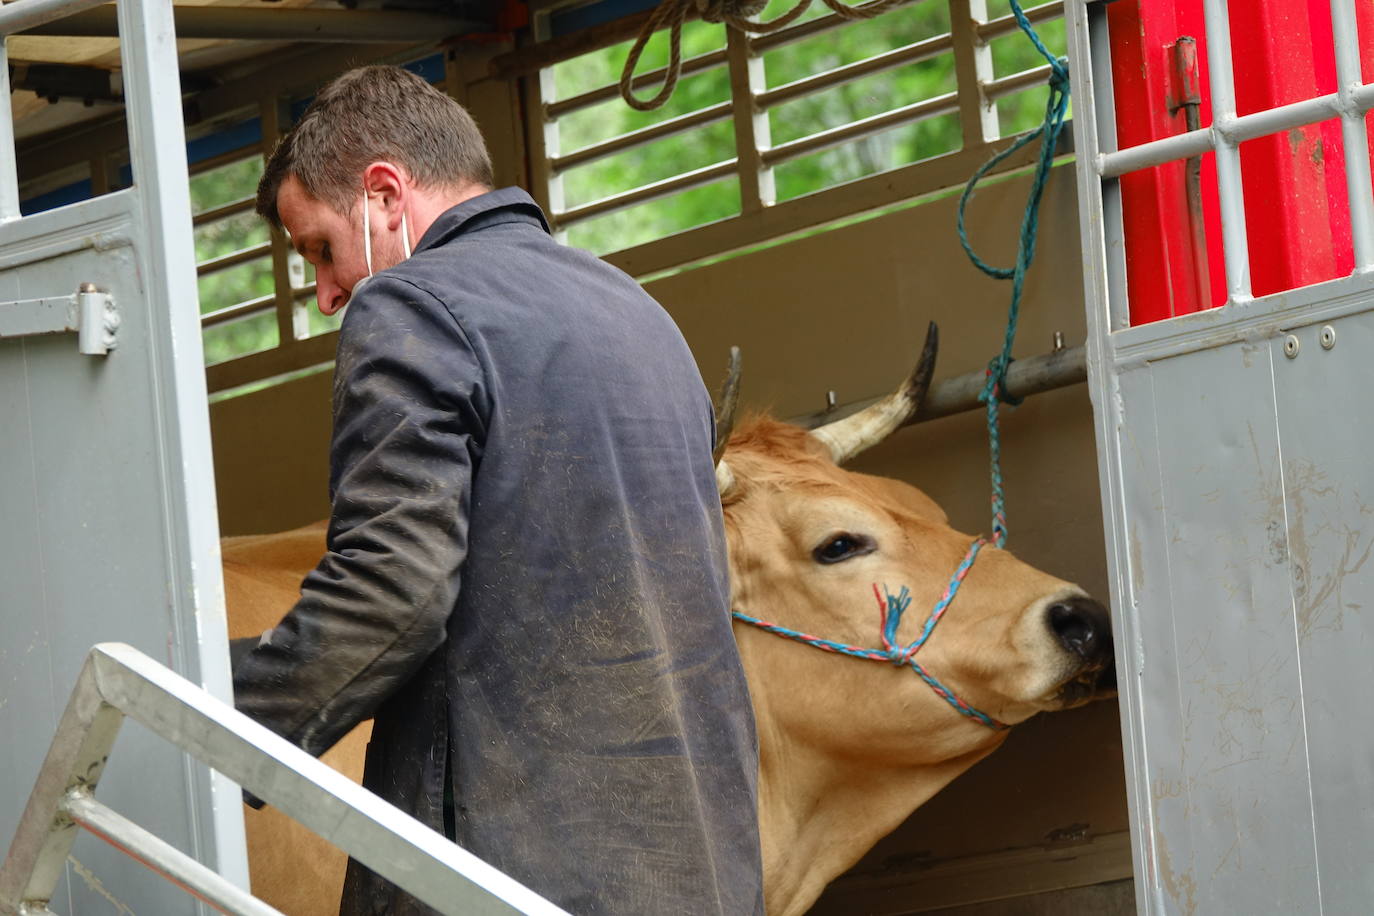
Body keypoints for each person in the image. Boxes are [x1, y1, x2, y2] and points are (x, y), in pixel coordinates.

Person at [230, 64, 764, 916]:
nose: (329, 295)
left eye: (321, 250)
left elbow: (393, 588)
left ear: (383, 194)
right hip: (699, 869)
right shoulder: (638, 313)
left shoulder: (411, 305)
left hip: (507, 872)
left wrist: (214, 713)